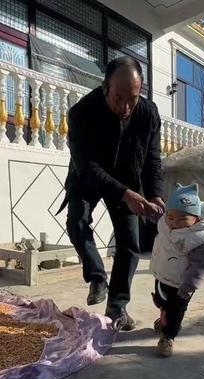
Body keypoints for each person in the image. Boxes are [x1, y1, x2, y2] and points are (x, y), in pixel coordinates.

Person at [59, 57, 165, 331]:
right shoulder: (81, 113)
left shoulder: (148, 113)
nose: (126, 107)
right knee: (77, 221)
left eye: (133, 98)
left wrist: (154, 195)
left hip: (128, 177)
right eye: (119, 98)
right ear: (105, 88)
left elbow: (153, 158)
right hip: (88, 176)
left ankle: (117, 306)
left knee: (130, 242)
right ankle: (97, 276)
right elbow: (86, 166)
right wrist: (124, 193)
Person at [150, 183, 204, 357]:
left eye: (183, 219)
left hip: (182, 284)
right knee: (161, 300)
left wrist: (189, 285)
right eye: (171, 217)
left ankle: (168, 336)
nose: (175, 223)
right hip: (162, 275)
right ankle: (164, 317)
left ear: (196, 218)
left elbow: (201, 265)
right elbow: (154, 215)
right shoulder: (165, 223)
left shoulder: (201, 238)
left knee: (176, 309)